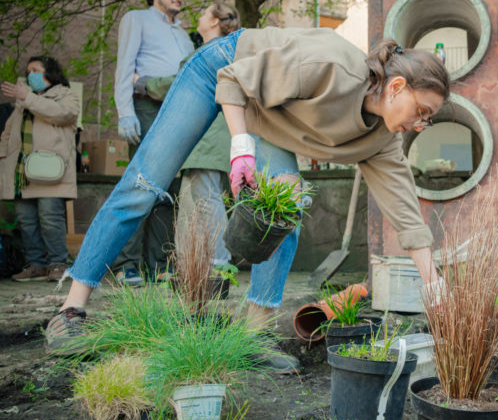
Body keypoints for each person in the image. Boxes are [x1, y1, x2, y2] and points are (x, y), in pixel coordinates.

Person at [46, 27, 450, 372]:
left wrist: (436, 292)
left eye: (428, 118)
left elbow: (406, 218)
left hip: (270, 117)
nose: (422, 123)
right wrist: (241, 149)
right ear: (397, 87)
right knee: (145, 185)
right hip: (222, 71)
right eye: (423, 110)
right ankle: (70, 311)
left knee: (287, 205)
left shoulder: (382, 140)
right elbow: (234, 81)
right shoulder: (332, 65)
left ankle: (253, 337)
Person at [135, 1, 241, 274]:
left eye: (205, 12)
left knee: (205, 200)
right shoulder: (226, 52)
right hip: (206, 142)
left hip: (208, 141)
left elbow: (177, 82)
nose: (199, 16)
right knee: (193, 204)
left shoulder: (209, 53)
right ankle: (190, 266)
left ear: (215, 21)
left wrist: (142, 83)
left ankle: (218, 263)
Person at [112, 0, 195, 285]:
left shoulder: (184, 35)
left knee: (168, 189)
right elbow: (125, 68)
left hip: (176, 110)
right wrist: (125, 113)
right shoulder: (136, 19)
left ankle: (159, 263)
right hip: (145, 106)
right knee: (141, 182)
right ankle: (126, 265)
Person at [0, 56, 80, 282]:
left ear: (50, 73)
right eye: (28, 71)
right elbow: (8, 132)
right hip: (21, 171)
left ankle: (57, 264)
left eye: (35, 70)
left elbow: (63, 114)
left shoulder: (66, 95)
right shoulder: (23, 102)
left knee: (50, 218)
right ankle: (36, 265)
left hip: (49, 171)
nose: (30, 74)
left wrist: (27, 98)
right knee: (26, 220)